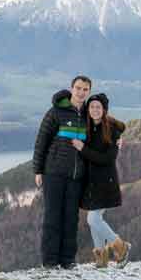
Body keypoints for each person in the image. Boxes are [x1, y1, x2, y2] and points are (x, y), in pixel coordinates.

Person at [32, 74, 92, 268]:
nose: (81, 92)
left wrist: (117, 139)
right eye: (78, 88)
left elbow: (105, 132)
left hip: (76, 176)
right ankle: (50, 261)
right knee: (52, 217)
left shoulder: (88, 115)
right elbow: (42, 141)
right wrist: (38, 170)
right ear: (71, 89)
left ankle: (67, 260)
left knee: (71, 218)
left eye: (85, 89)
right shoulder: (56, 112)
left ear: (88, 92)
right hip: (54, 173)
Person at [75, 91, 130, 267]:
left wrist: (83, 148)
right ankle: (101, 259)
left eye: (98, 107)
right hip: (91, 183)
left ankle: (120, 246)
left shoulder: (113, 131)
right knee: (94, 220)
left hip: (106, 183)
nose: (95, 110)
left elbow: (106, 159)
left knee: (93, 219)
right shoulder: (88, 126)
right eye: (91, 106)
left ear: (104, 110)